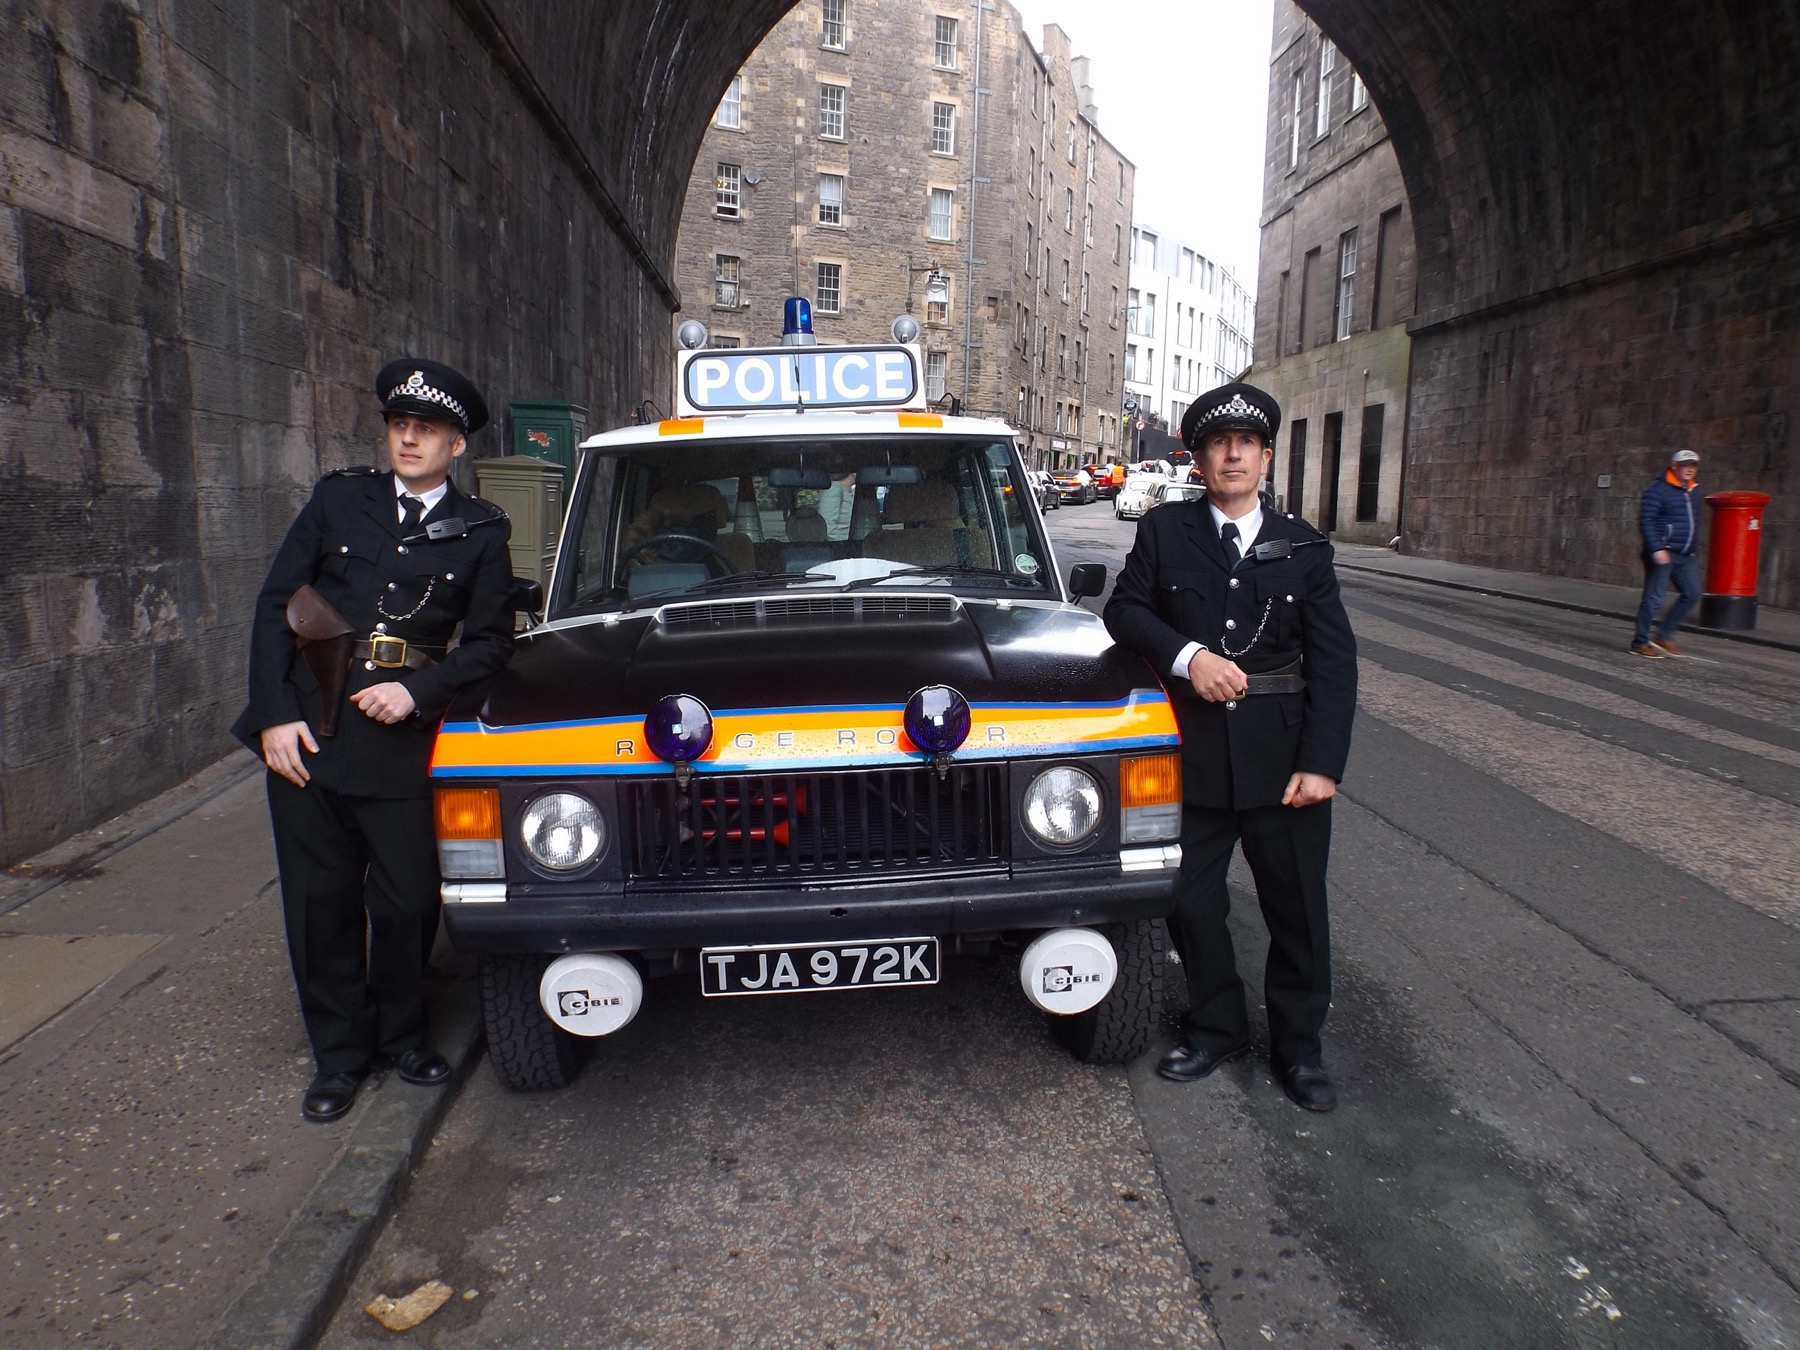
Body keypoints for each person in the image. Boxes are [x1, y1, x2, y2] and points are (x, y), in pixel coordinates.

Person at [233, 359, 515, 1123]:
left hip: (400, 740)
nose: (409, 438)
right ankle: (340, 1058)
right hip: (309, 732)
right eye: (400, 426)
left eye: (426, 429)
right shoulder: (339, 501)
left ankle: (402, 1036)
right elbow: (273, 606)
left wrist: (417, 690)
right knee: (319, 905)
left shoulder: (483, 532)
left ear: (457, 445)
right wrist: (270, 714)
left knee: (406, 901)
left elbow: (489, 645)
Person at [1104, 382, 1358, 1113]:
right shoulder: (1166, 533)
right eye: (1220, 443)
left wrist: (1321, 763)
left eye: (1247, 443)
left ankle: (1299, 1049)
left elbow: (1334, 665)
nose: (1234, 454)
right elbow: (1125, 610)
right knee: (1190, 902)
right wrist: (1188, 658)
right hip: (1197, 758)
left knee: (1298, 910)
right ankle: (1215, 1027)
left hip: (1285, 764)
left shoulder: (1304, 549)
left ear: (1267, 456)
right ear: (1200, 456)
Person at [1631, 449, 1702, 657]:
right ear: (1674, 466)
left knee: (1692, 593)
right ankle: (1639, 642)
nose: (1689, 469)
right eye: (1685, 465)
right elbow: (1646, 520)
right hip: (1663, 551)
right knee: (1654, 598)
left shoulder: (1693, 490)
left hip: (1684, 553)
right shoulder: (1658, 489)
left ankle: (1663, 635)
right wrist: (1657, 548)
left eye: (1693, 465)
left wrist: (1690, 547)